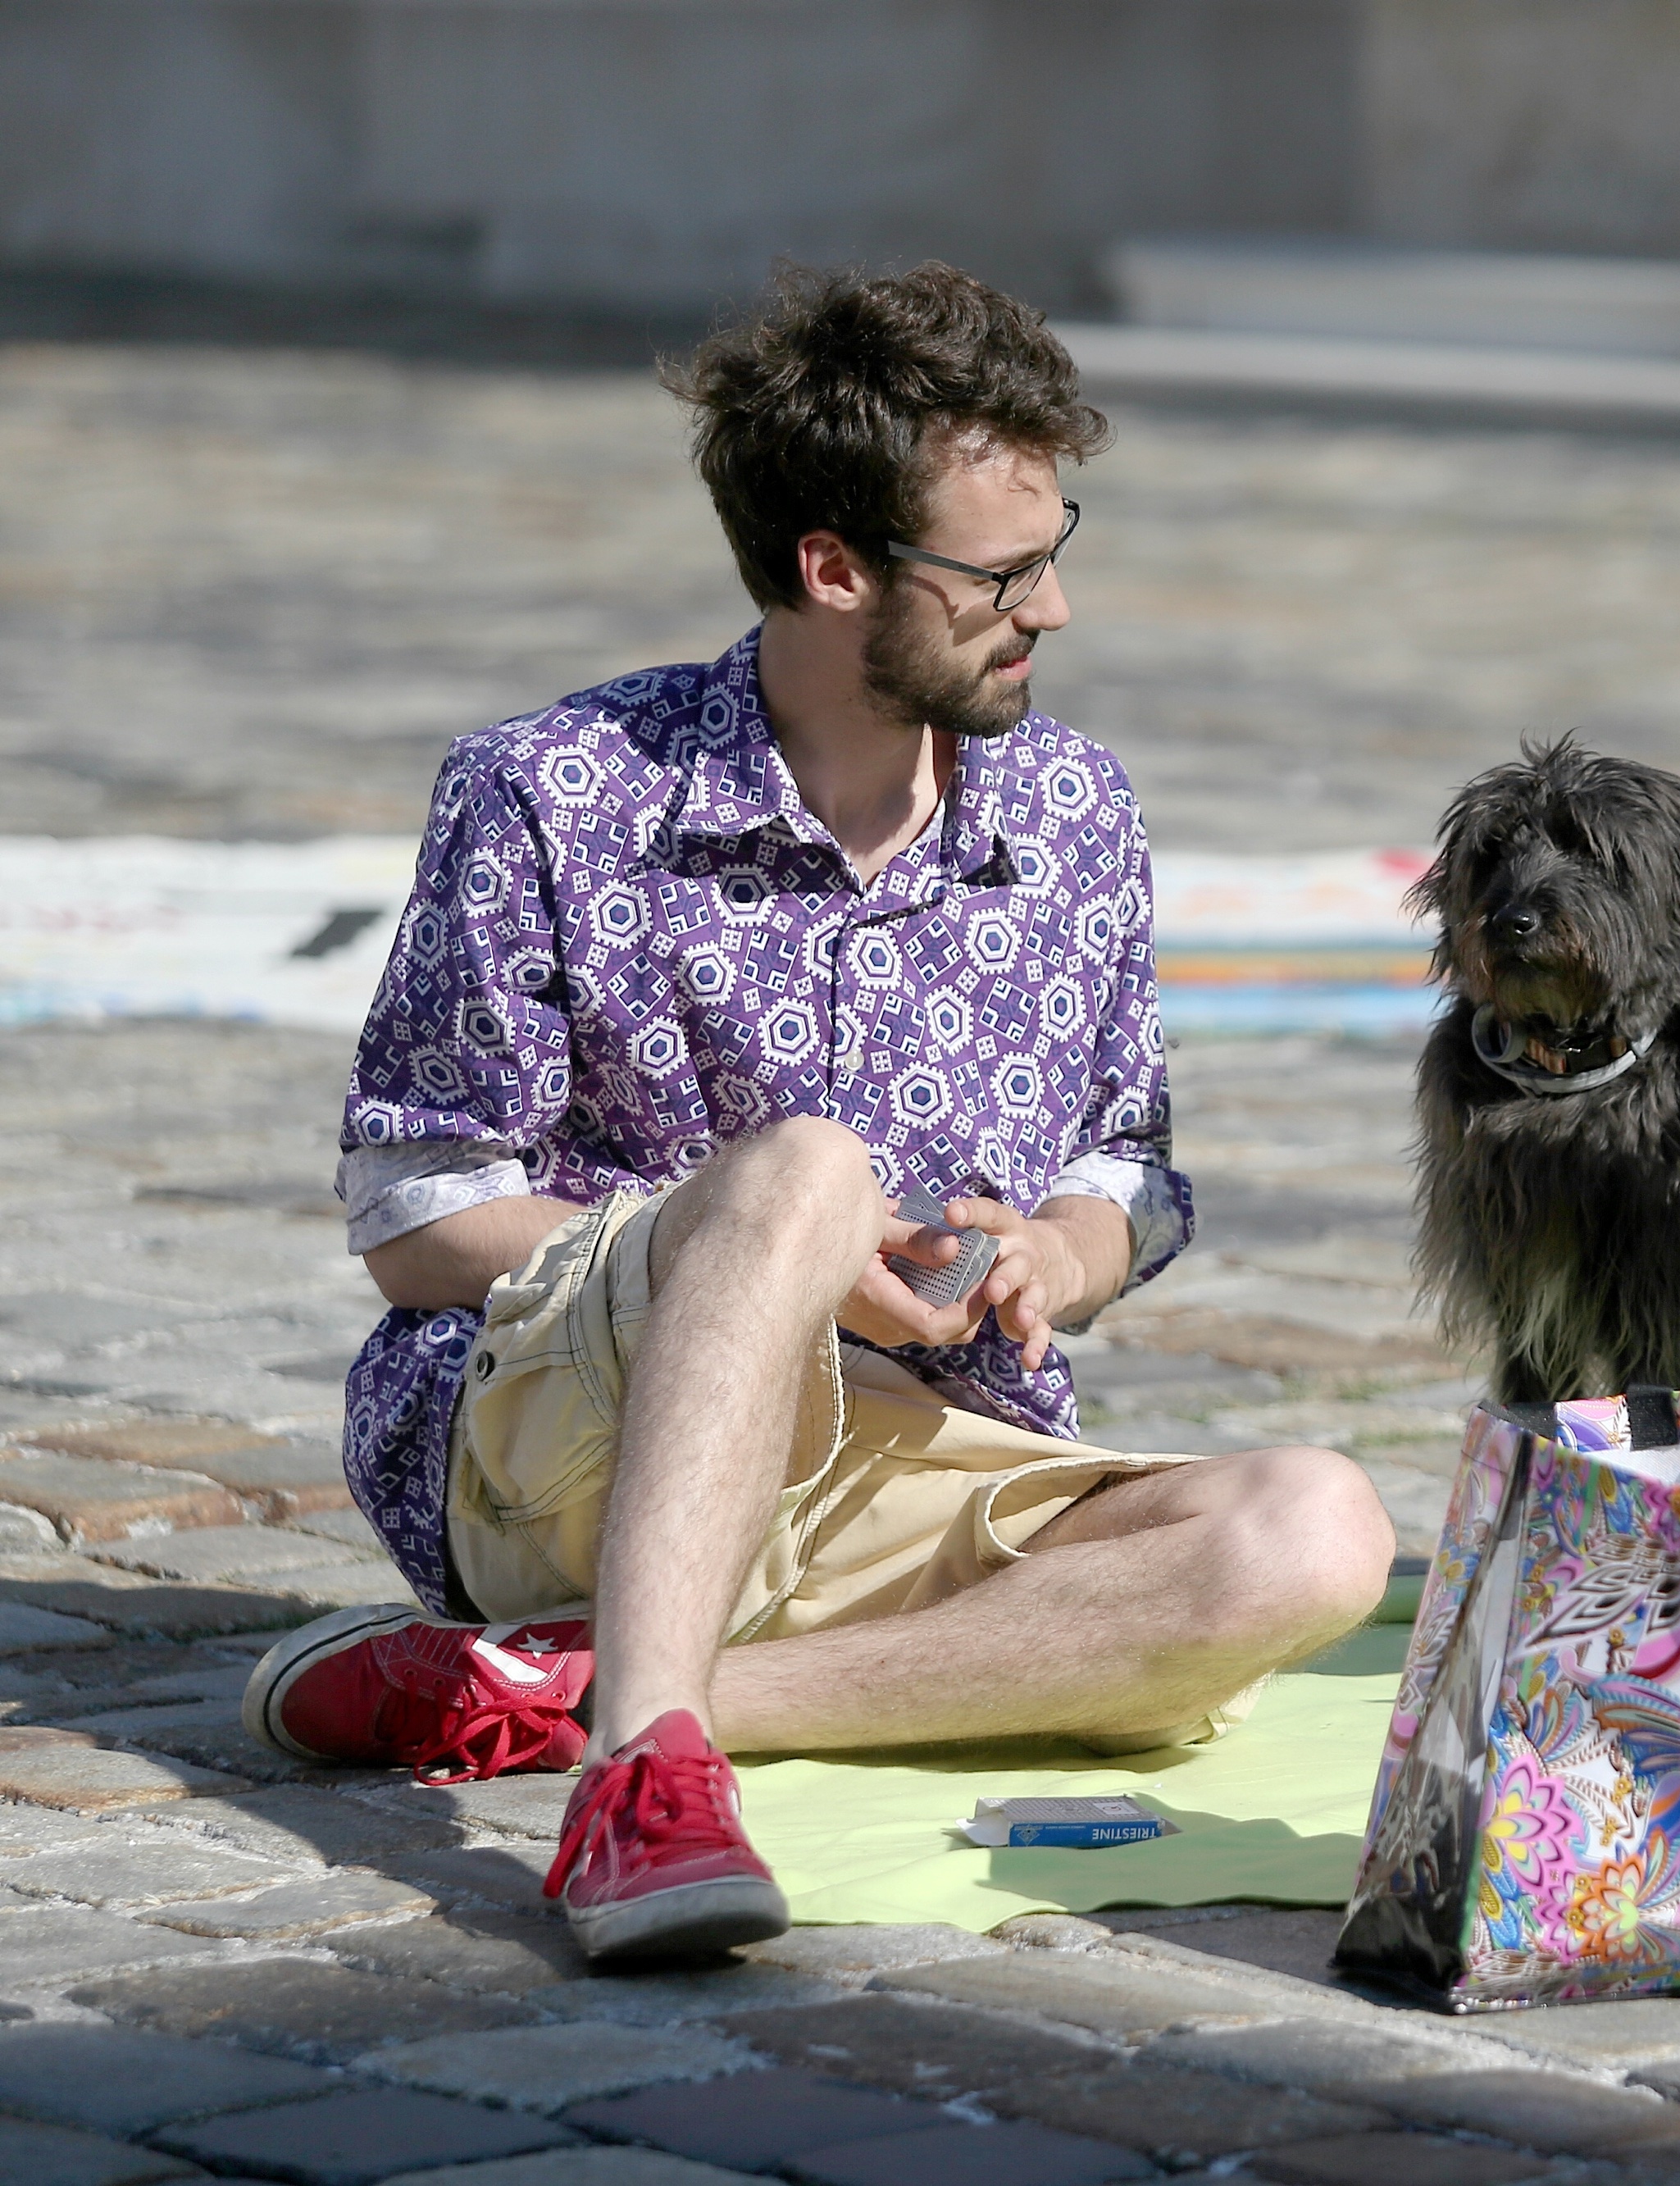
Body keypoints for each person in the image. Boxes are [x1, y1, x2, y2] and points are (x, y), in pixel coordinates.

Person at [248, 263, 1396, 1959]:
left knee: (1316, 1528)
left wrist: (1057, 1261)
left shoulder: (1075, 809)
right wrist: (768, 1249)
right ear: (835, 568)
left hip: (909, 1445)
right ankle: (641, 1774)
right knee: (800, 1170)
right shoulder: (552, 791)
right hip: (558, 1438)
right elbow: (416, 1218)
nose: (1054, 607)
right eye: (1003, 572)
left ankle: (569, 1689)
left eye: (1055, 546)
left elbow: (1125, 1168)